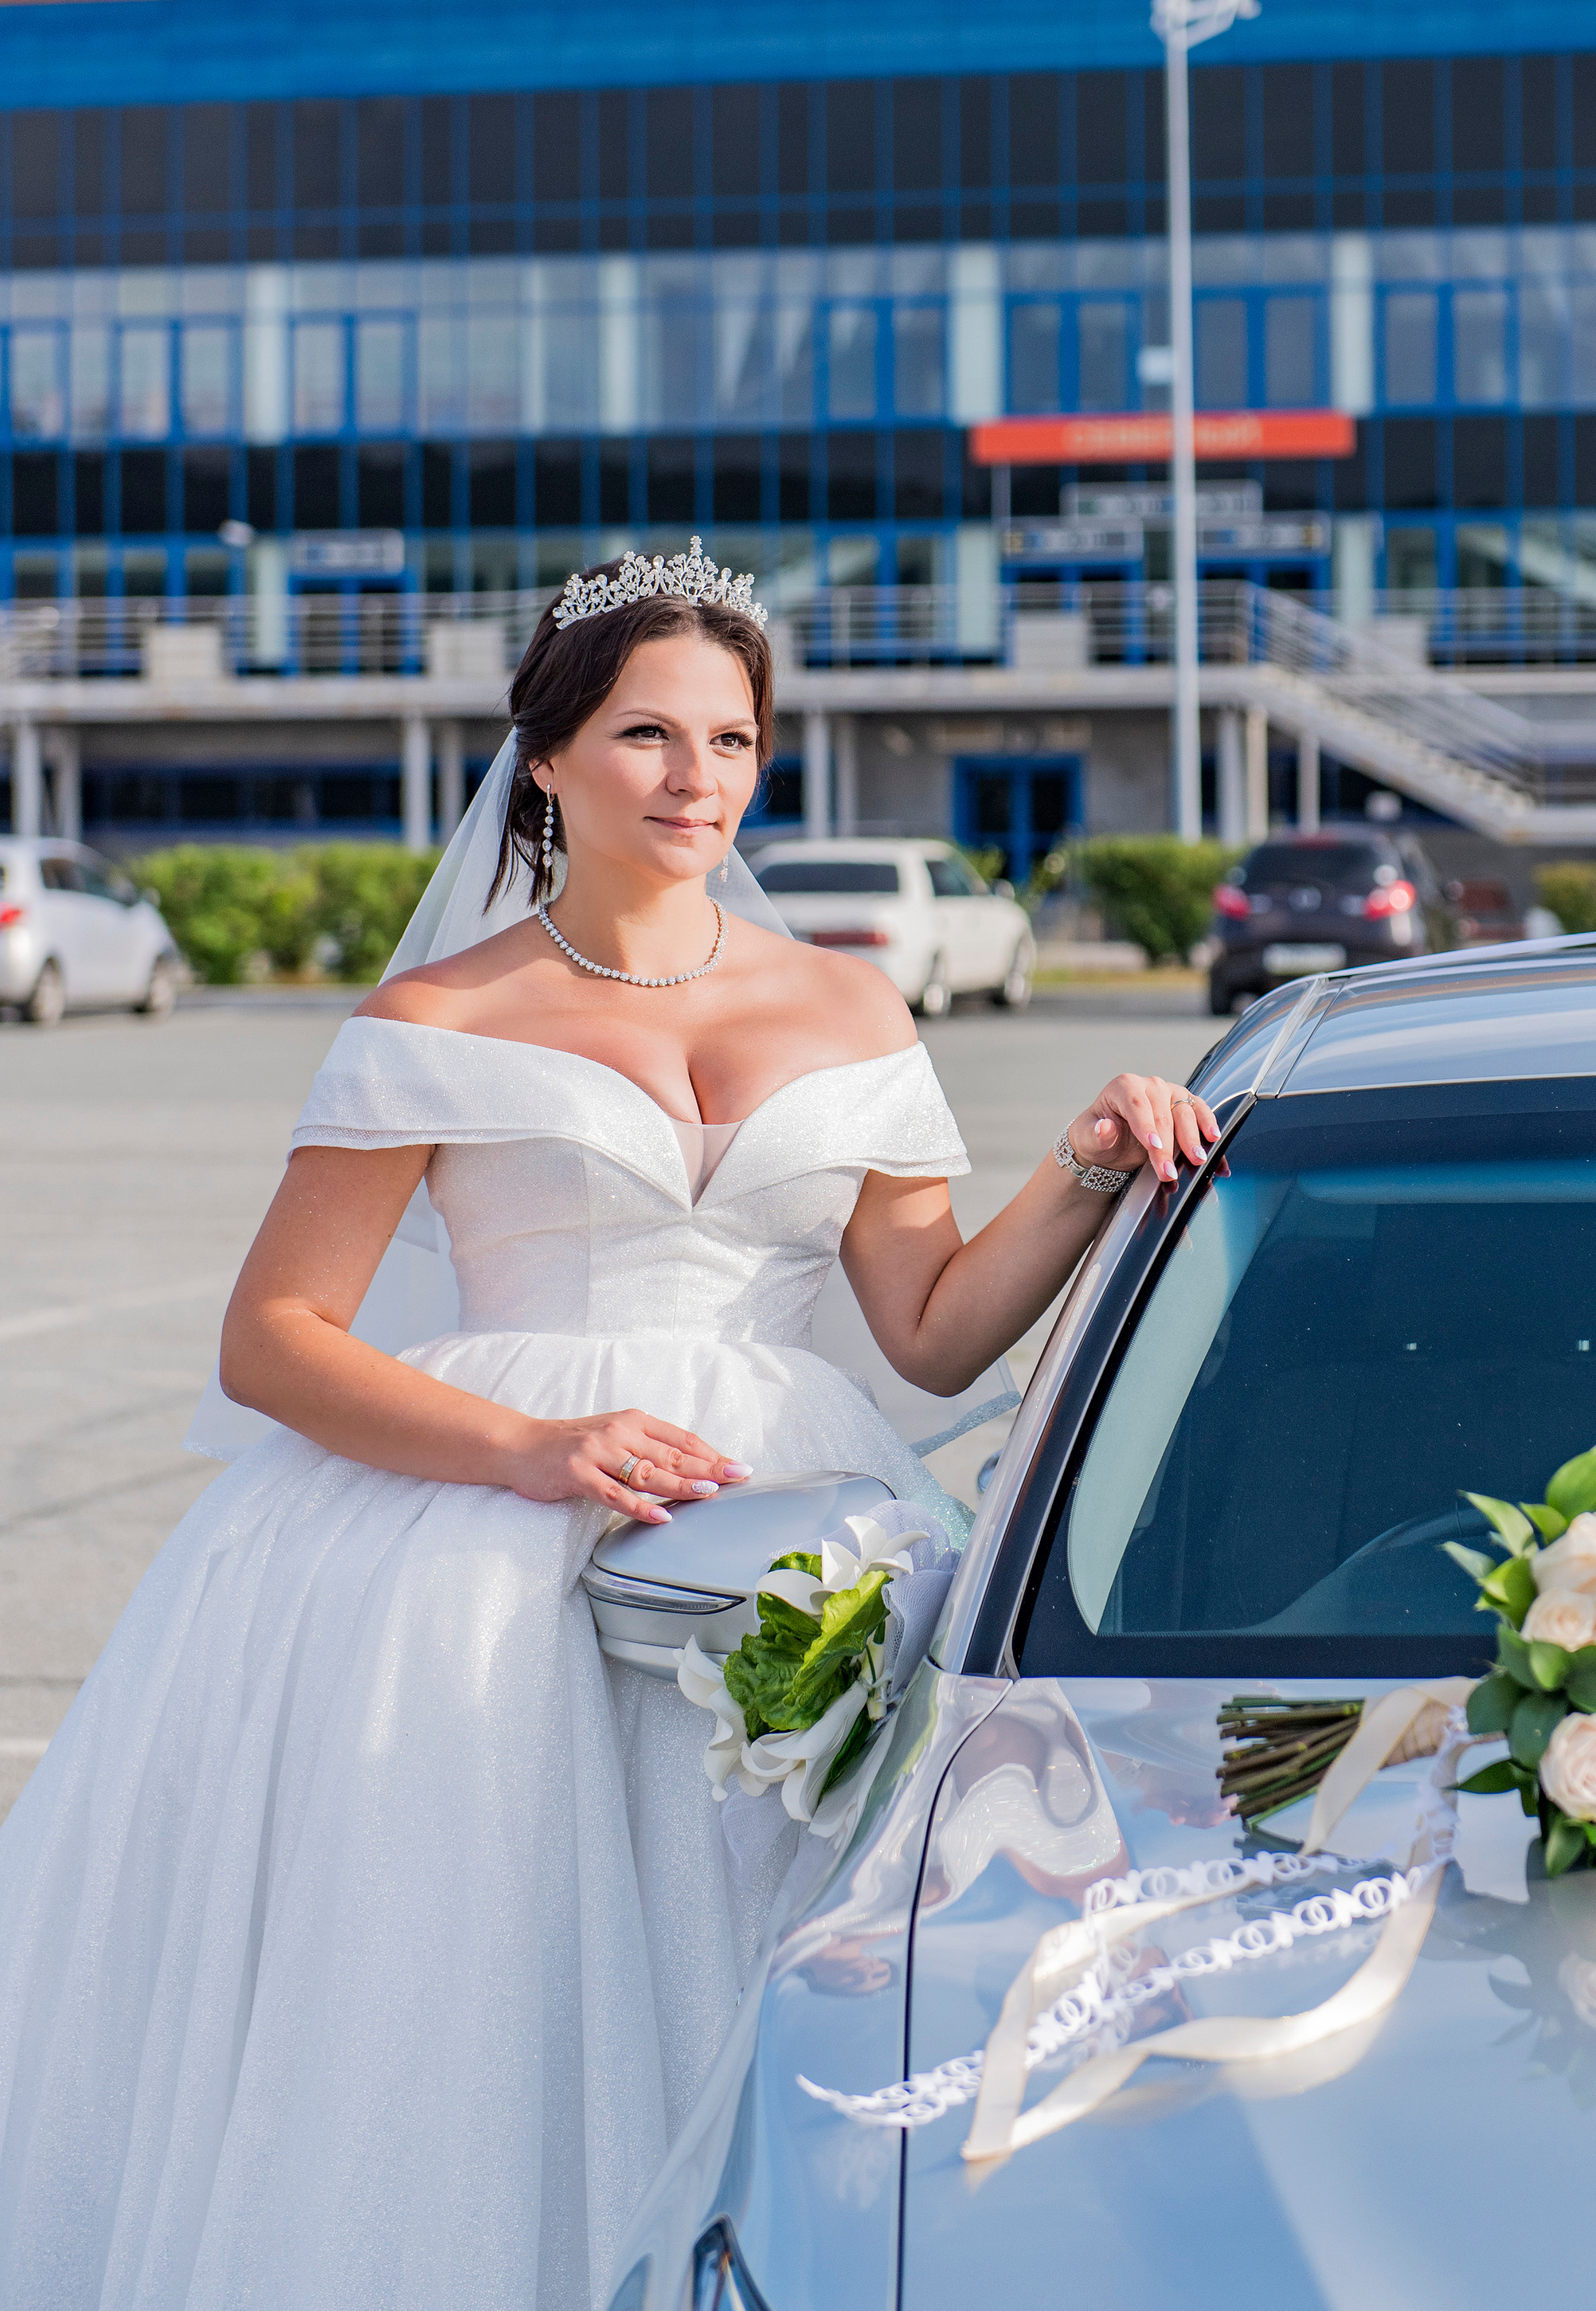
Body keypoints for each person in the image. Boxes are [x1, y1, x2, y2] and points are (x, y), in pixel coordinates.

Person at [0, 549, 1218, 2311]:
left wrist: (1088, 1165)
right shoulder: (435, 1019)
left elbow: (934, 1329)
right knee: (480, 1998)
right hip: (473, 1559)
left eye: (729, 739)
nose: (692, 778)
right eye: (646, 732)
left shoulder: (852, 1008)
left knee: (757, 1970)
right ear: (549, 757)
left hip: (790, 1541)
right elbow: (273, 1339)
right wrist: (525, 1448)